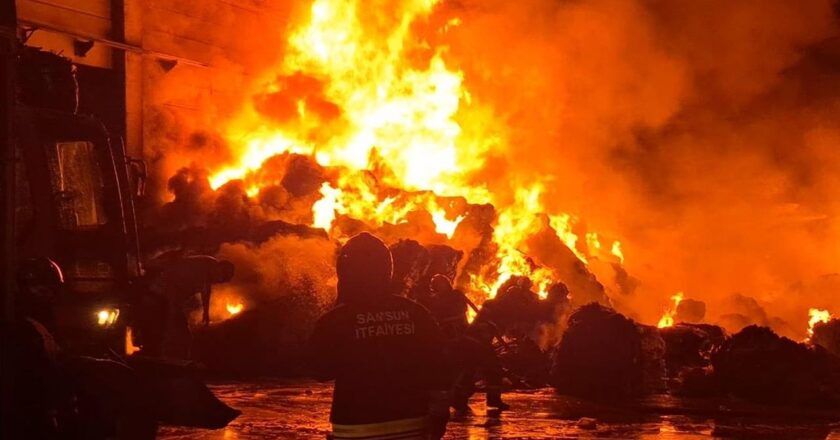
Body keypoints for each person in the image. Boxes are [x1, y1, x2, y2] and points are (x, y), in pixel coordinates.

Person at [308, 232, 450, 440]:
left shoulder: (336, 319)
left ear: (345, 272)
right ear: (387, 270)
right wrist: (439, 417)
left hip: (355, 427)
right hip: (412, 423)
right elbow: (440, 367)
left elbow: (319, 370)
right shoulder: (416, 313)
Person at [6, 258, 65, 439]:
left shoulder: (42, 326)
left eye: (50, 289)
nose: (47, 294)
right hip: (26, 412)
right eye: (42, 289)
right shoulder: (24, 329)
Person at [159, 255, 235, 359]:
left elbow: (207, 290)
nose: (219, 281)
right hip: (163, 296)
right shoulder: (205, 265)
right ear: (220, 268)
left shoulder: (209, 268)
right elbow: (204, 289)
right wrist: (173, 308)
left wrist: (206, 313)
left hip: (170, 299)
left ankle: (176, 359)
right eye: (222, 277)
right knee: (178, 335)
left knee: (181, 334)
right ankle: (172, 361)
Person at [427, 274, 469, 340]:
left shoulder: (456, 294)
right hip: (448, 334)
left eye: (441, 284)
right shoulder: (436, 301)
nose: (440, 287)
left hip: (462, 329)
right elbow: (435, 318)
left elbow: (464, 309)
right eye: (437, 285)